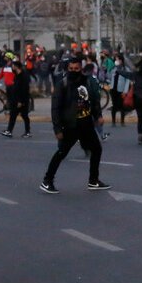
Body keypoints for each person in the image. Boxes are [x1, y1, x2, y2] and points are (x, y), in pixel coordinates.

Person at [40, 58, 110, 194]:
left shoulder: (87, 82)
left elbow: (94, 100)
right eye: (70, 69)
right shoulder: (62, 85)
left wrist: (98, 116)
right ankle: (47, 181)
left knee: (96, 149)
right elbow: (55, 108)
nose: (73, 71)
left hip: (86, 123)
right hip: (71, 125)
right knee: (62, 153)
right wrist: (57, 129)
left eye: (76, 69)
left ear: (81, 69)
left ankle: (93, 180)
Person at [1, 61, 32, 138]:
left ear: (17, 67)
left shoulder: (23, 76)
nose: (12, 67)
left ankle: (27, 132)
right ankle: (9, 131)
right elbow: (15, 88)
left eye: (13, 66)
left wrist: (21, 101)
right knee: (13, 115)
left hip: (22, 100)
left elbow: (24, 90)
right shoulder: (16, 76)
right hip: (15, 99)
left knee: (24, 116)